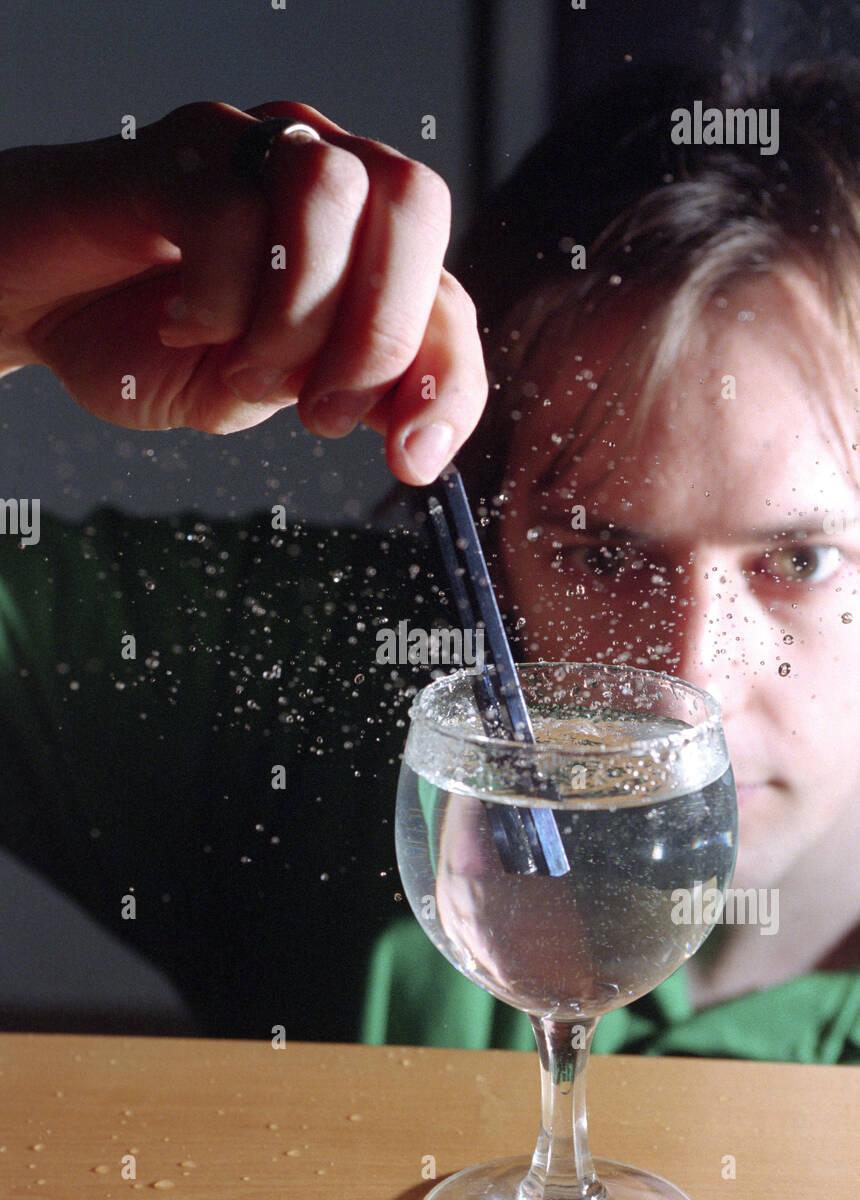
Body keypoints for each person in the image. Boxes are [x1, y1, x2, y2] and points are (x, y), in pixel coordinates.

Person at [0, 67, 857, 1060]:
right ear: (482, 530)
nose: (688, 679)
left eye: (799, 557)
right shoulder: (305, 686)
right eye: (599, 554)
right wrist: (22, 277)